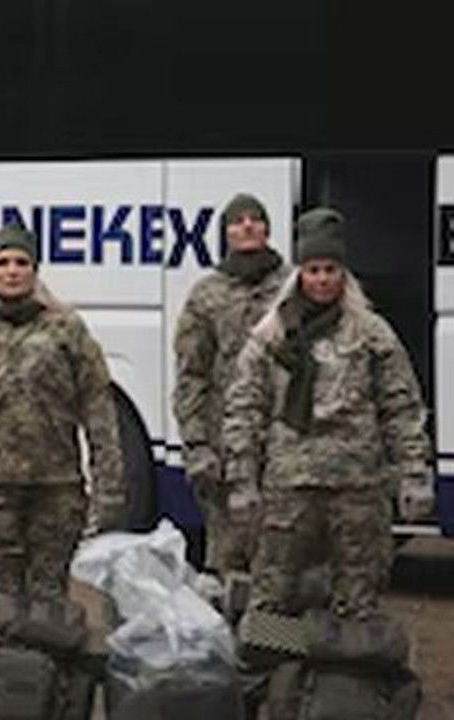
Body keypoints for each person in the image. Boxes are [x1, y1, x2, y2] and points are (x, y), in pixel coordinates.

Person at [224, 207, 433, 620]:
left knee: (357, 602)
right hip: (289, 491)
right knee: (274, 600)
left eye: (331, 270)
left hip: (357, 491)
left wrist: (414, 473)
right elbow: (245, 407)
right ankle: (279, 661)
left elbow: (401, 406)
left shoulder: (371, 333)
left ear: (344, 274)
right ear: (299, 274)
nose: (322, 279)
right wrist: (242, 478)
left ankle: (345, 662)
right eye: (313, 270)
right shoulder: (272, 336)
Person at [0, 223, 125, 601]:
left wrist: (108, 486)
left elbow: (98, 409)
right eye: (2, 263)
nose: (12, 271)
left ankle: (49, 639)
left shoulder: (66, 330)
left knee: (48, 601)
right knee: (4, 601)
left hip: (56, 492)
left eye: (21, 262)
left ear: (35, 269)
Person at [173, 192, 290, 574]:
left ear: (267, 229)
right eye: (238, 221)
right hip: (225, 448)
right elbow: (191, 374)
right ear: (226, 233)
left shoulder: (293, 288)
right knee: (229, 558)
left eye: (255, 219)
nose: (247, 226)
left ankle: (277, 616)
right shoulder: (207, 296)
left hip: (285, 443)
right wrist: (196, 444)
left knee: (285, 559)